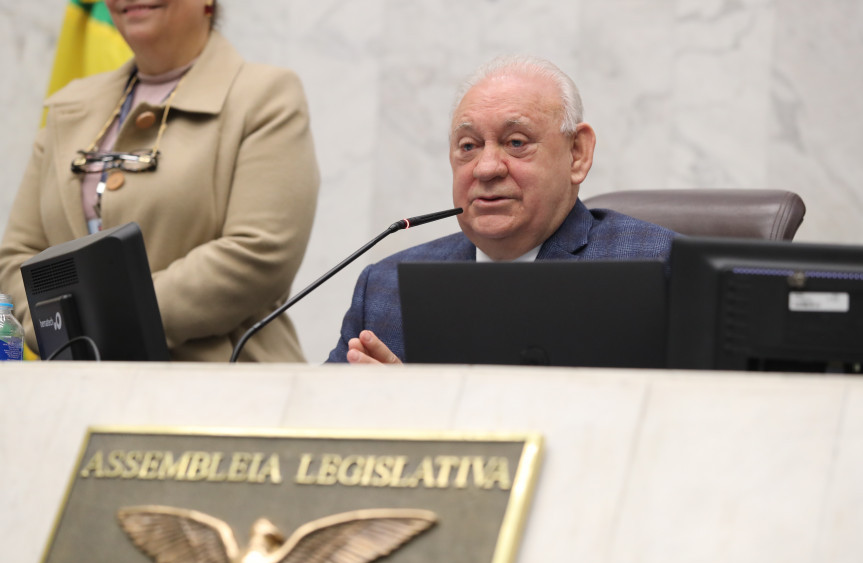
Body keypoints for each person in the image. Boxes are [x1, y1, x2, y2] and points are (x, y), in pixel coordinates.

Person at [0, 0, 319, 362]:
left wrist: (98, 325)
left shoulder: (266, 97)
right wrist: (61, 330)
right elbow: (16, 259)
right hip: (78, 391)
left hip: (222, 391)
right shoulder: (68, 107)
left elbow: (259, 252)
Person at [327, 56, 675, 364]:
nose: (486, 168)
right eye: (469, 146)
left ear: (577, 154)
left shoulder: (665, 271)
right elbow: (323, 417)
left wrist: (424, 403)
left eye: (516, 142)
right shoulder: (385, 286)